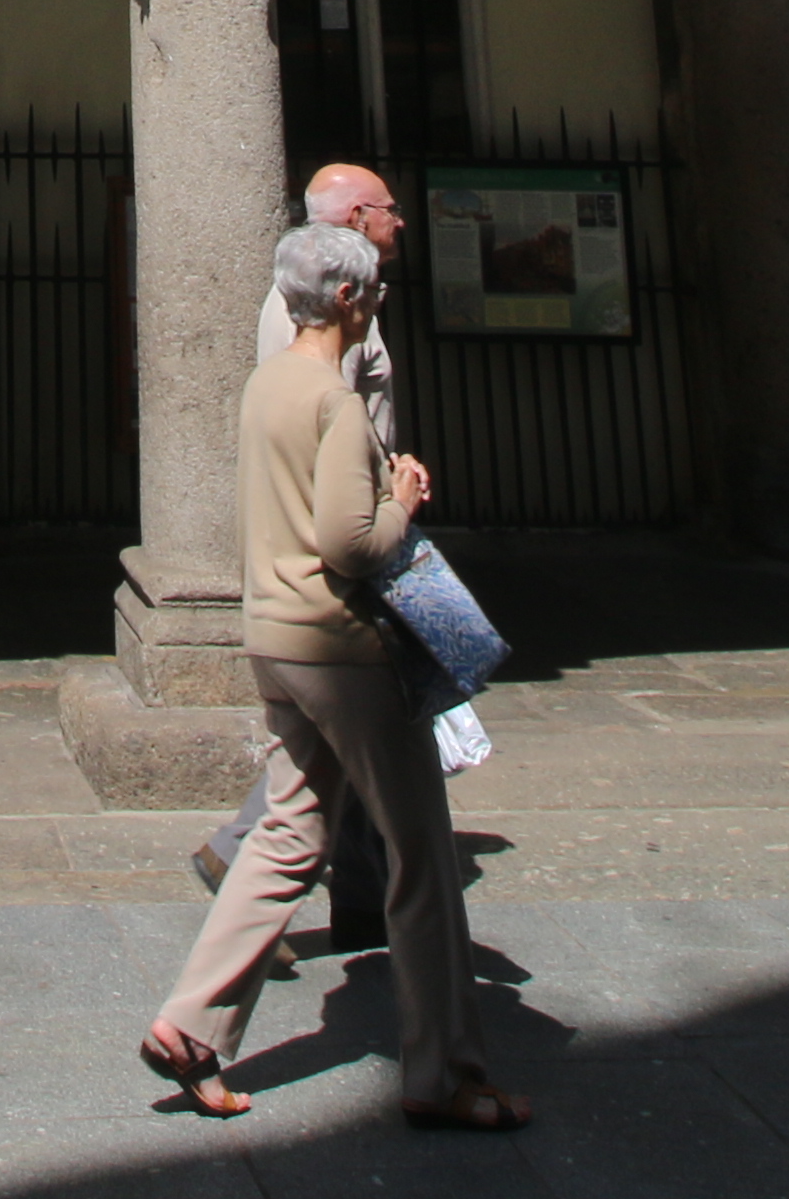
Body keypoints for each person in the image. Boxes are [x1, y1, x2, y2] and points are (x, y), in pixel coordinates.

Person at [139, 224, 522, 1132]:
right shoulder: (335, 402)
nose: (380, 298)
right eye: (374, 287)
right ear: (347, 299)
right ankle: (447, 1074)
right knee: (422, 856)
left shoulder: (266, 384)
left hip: (272, 639)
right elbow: (350, 544)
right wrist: (405, 498)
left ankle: (191, 1027)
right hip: (341, 649)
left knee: (287, 834)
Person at [195, 163, 410, 951]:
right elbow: (337, 436)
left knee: (332, 748)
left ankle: (359, 898)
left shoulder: (306, 303)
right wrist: (399, 501)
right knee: (350, 743)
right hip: (333, 553)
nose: (401, 220)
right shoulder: (332, 327)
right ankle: (241, 855)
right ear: (357, 219)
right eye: (389, 209)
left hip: (307, 554)